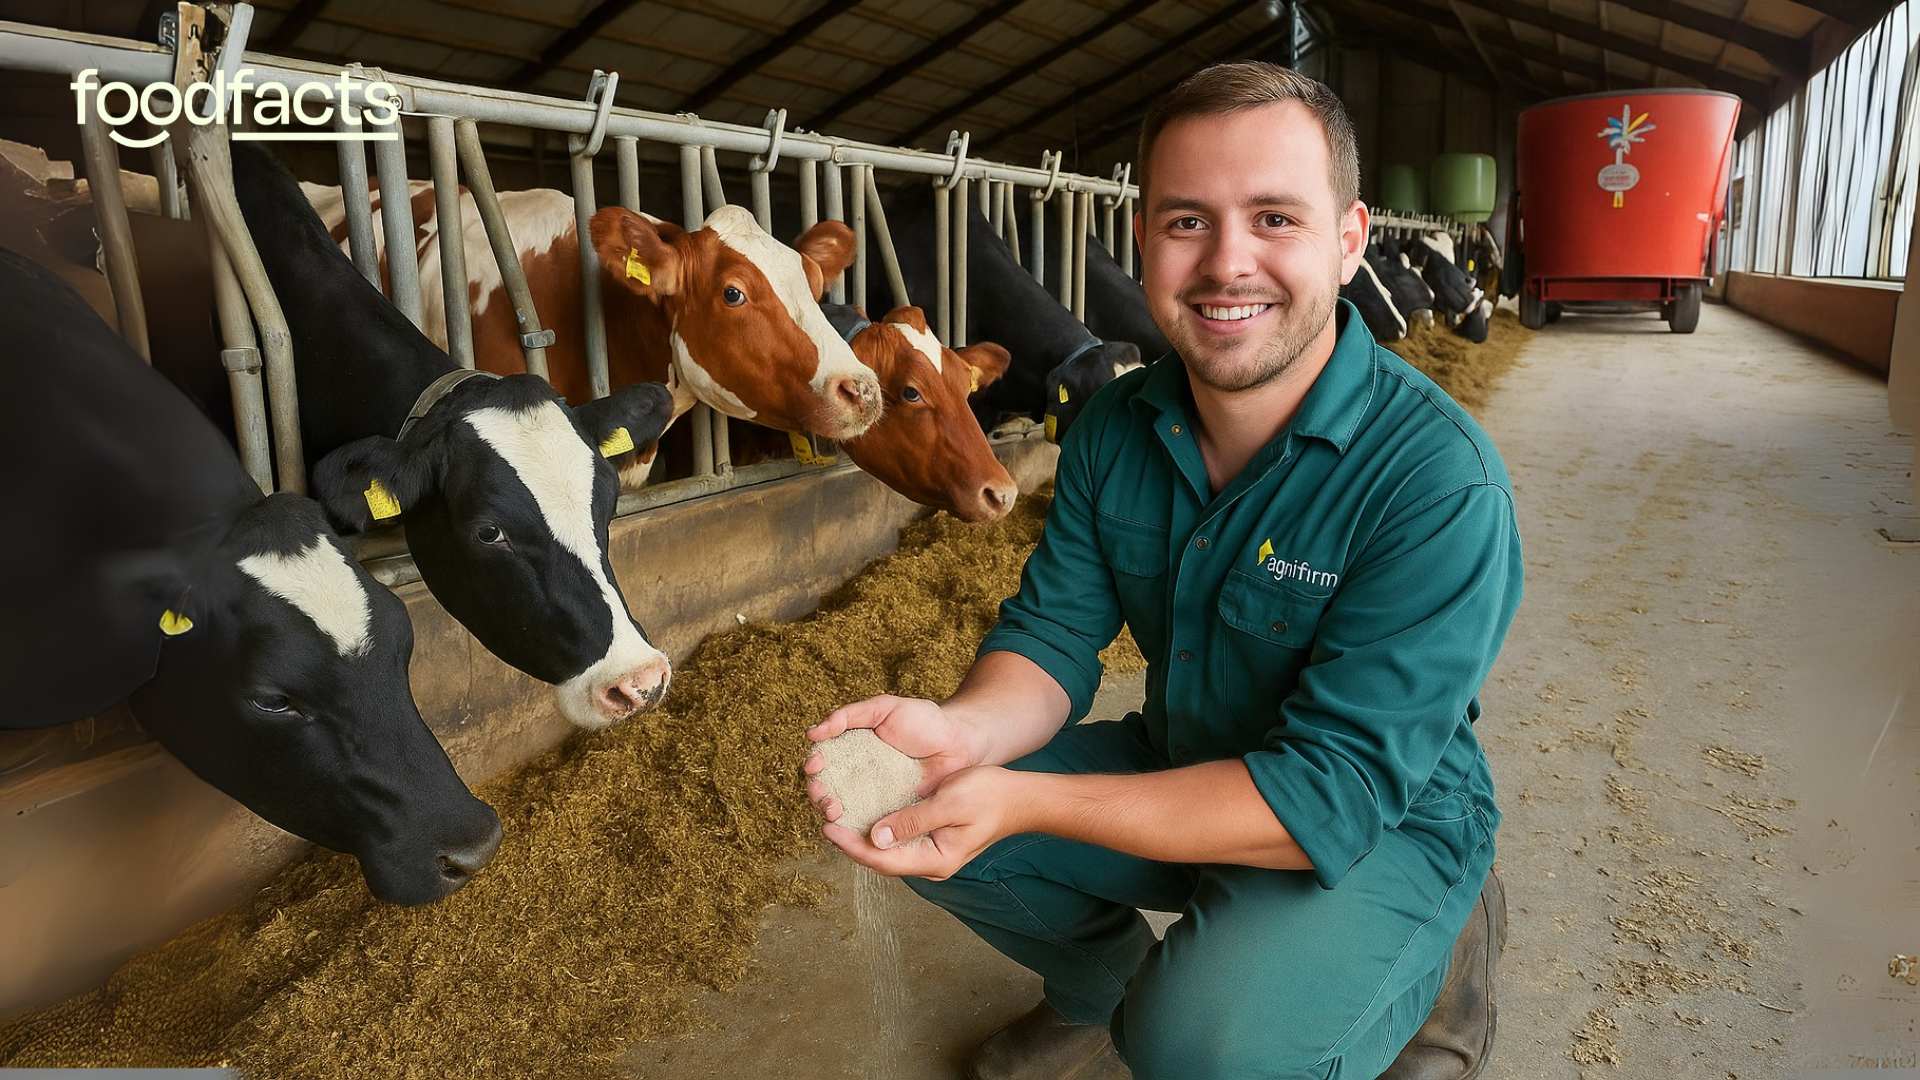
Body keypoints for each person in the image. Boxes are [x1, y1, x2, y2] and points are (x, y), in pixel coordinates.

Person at [805, 61, 1521, 1080]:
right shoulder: (1113, 427)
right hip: (1188, 758)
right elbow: (1053, 638)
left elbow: (1329, 791)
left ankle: (1437, 935)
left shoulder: (1437, 482)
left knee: (1199, 1051)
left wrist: (1025, 802)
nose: (1228, 263)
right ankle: (1104, 993)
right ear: (1143, 239)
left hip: (1377, 818)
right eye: (1188, 220)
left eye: (1274, 217)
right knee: (912, 797)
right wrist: (963, 734)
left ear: (1350, 240)